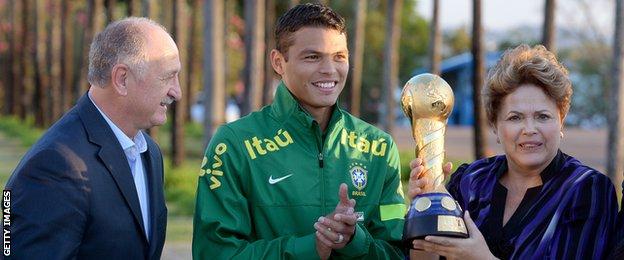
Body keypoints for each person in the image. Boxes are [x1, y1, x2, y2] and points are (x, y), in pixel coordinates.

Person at [192, 3, 405, 259]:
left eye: (339, 56)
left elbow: (397, 251)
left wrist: (354, 240)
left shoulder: (379, 147)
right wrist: (310, 247)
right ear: (278, 62)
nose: (329, 69)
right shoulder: (233, 144)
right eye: (312, 57)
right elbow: (214, 253)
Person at [408, 44, 618, 259]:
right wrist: (423, 213)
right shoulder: (470, 181)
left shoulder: (587, 190)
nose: (529, 129)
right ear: (495, 127)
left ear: (561, 121)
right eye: (515, 117)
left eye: (542, 116)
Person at [5, 17, 181, 259]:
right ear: (122, 79)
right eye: (167, 77)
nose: (177, 91)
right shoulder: (54, 165)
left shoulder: (149, 152)